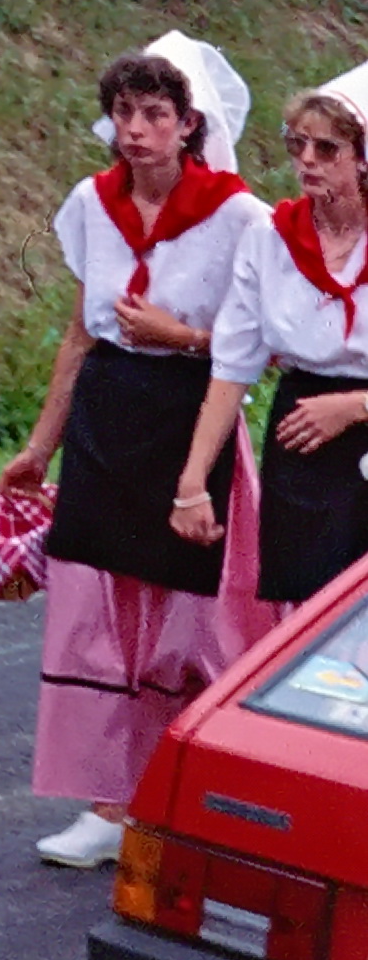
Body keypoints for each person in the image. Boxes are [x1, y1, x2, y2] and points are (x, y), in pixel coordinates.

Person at [2, 42, 281, 867]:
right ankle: (107, 800)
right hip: (109, 415)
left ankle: (186, 788)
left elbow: (260, 344)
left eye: (155, 113)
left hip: (190, 418)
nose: (135, 129)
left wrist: (182, 336)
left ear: (190, 124)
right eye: (125, 111)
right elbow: (84, 328)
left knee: (187, 616)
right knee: (101, 610)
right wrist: (39, 445)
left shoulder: (240, 216)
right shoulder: (93, 203)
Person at [175, 70, 368, 609]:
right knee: (308, 618)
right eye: (297, 143)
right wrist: (191, 484)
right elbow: (233, 365)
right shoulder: (270, 239)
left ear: (363, 157)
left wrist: (355, 407)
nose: (307, 159)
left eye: (327, 147)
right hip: (302, 441)